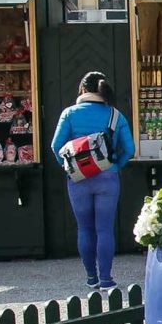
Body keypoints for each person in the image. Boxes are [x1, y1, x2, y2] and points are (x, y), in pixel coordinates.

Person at [51, 72, 134, 291]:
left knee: (84, 228)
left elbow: (55, 145)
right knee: (105, 229)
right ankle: (106, 279)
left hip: (78, 179)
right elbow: (130, 149)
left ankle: (91, 279)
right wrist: (115, 165)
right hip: (108, 177)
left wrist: (69, 166)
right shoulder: (115, 115)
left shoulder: (69, 114)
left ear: (82, 89)